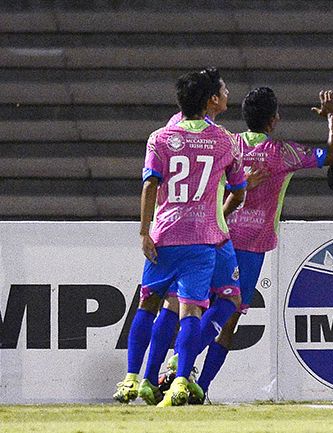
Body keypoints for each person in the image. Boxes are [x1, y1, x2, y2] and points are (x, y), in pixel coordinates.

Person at [190, 87, 333, 400]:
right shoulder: (282, 152)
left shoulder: (227, 144)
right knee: (227, 319)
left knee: (203, 309)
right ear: (274, 120)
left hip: (215, 237)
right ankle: (190, 376)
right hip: (250, 246)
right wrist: (332, 120)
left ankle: (186, 376)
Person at [115, 69, 249, 407]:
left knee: (149, 304)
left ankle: (135, 378)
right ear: (210, 101)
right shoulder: (225, 141)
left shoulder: (160, 137)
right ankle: (179, 381)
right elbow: (240, 189)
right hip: (205, 238)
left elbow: (150, 185)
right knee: (191, 309)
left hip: (164, 234)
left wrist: (144, 231)